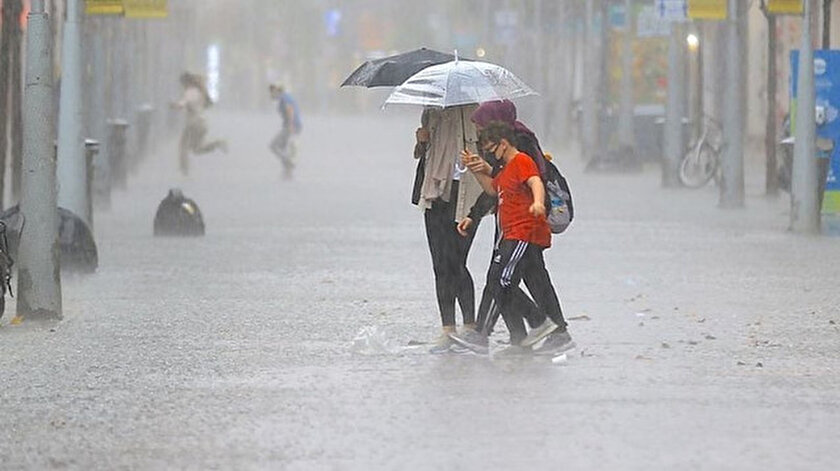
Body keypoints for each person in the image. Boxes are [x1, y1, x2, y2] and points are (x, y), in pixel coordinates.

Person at [453, 121, 574, 355]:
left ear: (504, 144)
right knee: (502, 280)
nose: (489, 154)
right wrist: (475, 171)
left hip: (522, 232)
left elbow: (535, 181)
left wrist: (538, 202)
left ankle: (538, 322)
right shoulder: (505, 168)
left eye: (490, 148)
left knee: (502, 281)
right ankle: (523, 333)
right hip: (511, 233)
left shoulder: (521, 160)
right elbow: (492, 190)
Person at [413, 105, 485, 354]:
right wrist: (421, 142)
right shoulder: (430, 112)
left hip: (466, 196)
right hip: (434, 194)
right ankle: (447, 329)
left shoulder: (475, 113)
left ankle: (470, 325)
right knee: (440, 264)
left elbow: (489, 156)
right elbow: (422, 155)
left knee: (456, 261)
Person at [171, 72, 227, 176]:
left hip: (193, 124)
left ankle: (184, 170)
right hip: (202, 123)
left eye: (182, 83)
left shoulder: (191, 91)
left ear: (186, 82)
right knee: (197, 149)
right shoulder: (199, 92)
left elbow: (184, 102)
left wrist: (175, 105)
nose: (182, 86)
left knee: (183, 146)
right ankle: (217, 143)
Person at [269, 83, 303, 179]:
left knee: (274, 146)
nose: (271, 96)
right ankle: (287, 171)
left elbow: (289, 109)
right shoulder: (286, 97)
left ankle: (289, 163)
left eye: (271, 93)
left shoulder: (284, 98)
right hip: (293, 125)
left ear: (276, 91)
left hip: (291, 126)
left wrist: (290, 125)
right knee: (284, 147)